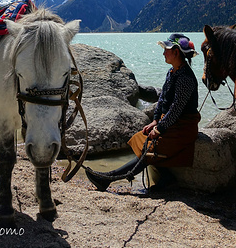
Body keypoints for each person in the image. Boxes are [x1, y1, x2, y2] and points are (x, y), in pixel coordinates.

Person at [85, 33, 201, 192]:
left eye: (166, 49)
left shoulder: (186, 78)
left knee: (150, 149)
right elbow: (162, 100)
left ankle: (107, 178)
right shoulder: (172, 72)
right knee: (143, 139)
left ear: (176, 52)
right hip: (171, 123)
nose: (163, 53)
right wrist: (154, 121)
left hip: (183, 128)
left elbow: (175, 109)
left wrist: (160, 129)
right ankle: (167, 179)